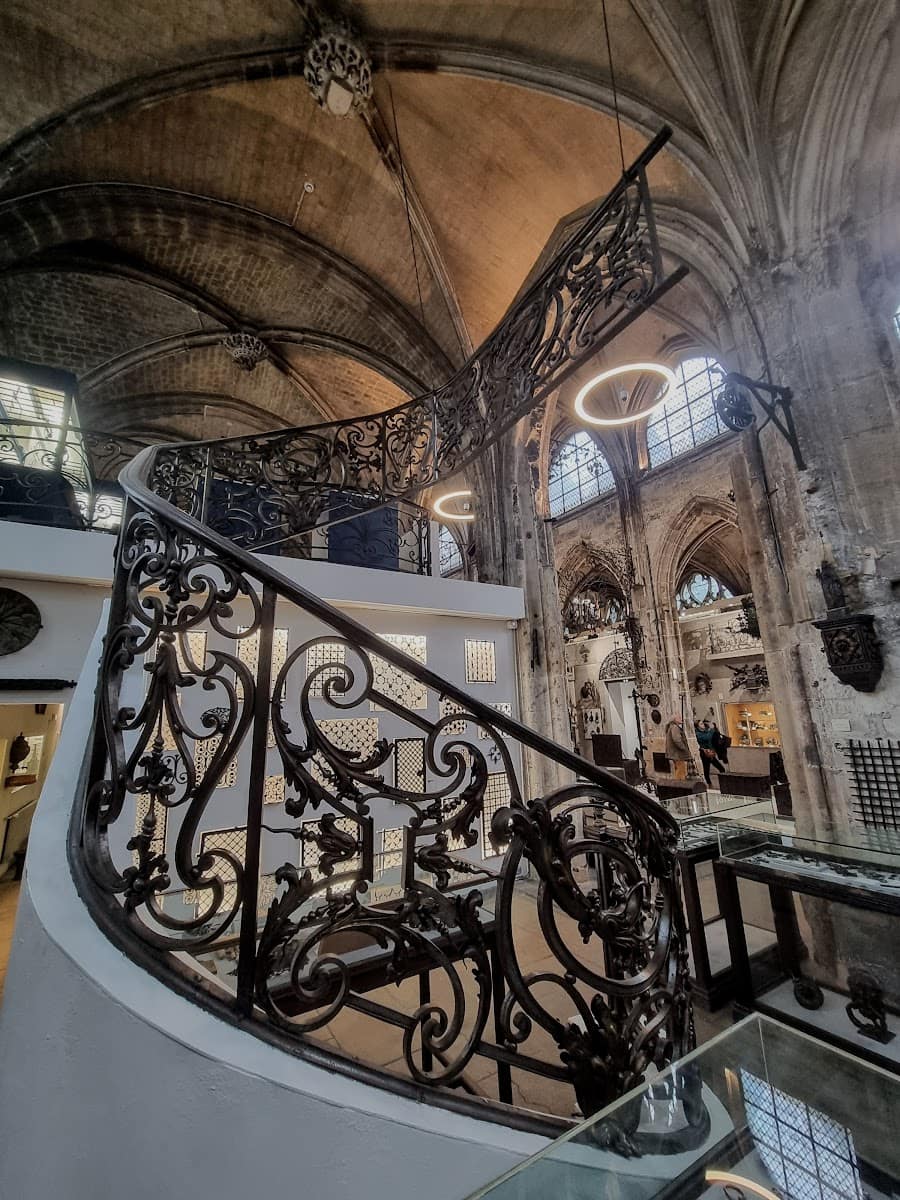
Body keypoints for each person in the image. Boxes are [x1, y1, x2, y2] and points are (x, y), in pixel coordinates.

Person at [695, 719, 726, 787]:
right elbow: (707, 737)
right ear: (698, 727)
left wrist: (715, 728)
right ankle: (710, 784)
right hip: (705, 754)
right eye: (701, 724)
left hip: (711, 753)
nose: (703, 725)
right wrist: (711, 729)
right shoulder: (697, 734)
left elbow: (714, 735)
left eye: (702, 723)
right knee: (706, 770)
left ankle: (724, 783)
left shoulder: (707, 731)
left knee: (721, 768)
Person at [664, 715, 692, 780]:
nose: (681, 718)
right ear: (674, 719)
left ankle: (679, 785)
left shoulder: (672, 727)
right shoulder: (675, 727)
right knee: (681, 770)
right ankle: (680, 786)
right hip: (678, 754)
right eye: (679, 718)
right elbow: (677, 740)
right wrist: (684, 748)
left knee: (679, 769)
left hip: (676, 753)